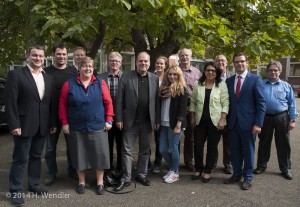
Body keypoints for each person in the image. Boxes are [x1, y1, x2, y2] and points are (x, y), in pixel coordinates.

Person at [5, 45, 56, 206]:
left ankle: (34, 185)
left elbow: (50, 104)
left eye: (41, 56)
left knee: (36, 157)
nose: (38, 58)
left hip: (42, 125)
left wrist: (52, 123)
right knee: (20, 159)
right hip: (23, 125)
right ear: (28, 56)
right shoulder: (16, 75)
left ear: (44, 57)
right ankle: (16, 191)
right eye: (34, 55)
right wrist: (14, 123)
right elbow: (10, 102)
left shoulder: (48, 78)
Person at [59, 57, 114, 195]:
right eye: (84, 66)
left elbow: (108, 102)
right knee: (79, 155)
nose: (88, 69)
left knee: (100, 155)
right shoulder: (69, 84)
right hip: (76, 126)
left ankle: (100, 182)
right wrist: (64, 123)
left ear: (93, 67)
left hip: (97, 126)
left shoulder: (100, 83)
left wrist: (109, 120)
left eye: (90, 66)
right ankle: (81, 182)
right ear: (79, 67)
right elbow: (62, 104)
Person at [114, 52, 160, 191]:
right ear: (136, 62)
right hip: (130, 121)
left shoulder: (154, 78)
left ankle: (141, 174)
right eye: (141, 61)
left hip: (148, 121)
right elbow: (119, 99)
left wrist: (157, 119)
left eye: (146, 61)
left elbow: (157, 101)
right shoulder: (126, 76)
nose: (143, 63)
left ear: (149, 63)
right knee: (126, 150)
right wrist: (119, 118)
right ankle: (126, 177)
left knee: (145, 150)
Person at [224, 52, 266, 190]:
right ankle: (237, 174)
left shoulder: (255, 79)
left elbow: (261, 103)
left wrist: (258, 123)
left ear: (247, 62)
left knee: (248, 151)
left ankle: (248, 177)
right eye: (236, 62)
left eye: (242, 61)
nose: (239, 64)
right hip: (233, 123)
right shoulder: (229, 81)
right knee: (234, 151)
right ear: (233, 64)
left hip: (249, 124)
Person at [254, 61, 298, 180]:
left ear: (280, 71)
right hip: (265, 117)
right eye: (271, 70)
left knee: (283, 144)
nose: (273, 72)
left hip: (282, 117)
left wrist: (292, 119)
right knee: (264, 143)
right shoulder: (261, 85)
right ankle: (261, 166)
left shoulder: (286, 86)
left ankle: (285, 168)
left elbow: (292, 103)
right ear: (267, 72)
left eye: (275, 70)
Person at [44, 44, 78, 186]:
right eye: (58, 54)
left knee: (72, 146)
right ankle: (51, 173)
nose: (61, 57)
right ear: (53, 55)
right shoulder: (46, 71)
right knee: (50, 148)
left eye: (64, 54)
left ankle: (72, 170)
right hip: (51, 116)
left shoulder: (73, 71)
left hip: (69, 116)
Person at [190, 62, 229, 183]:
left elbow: (225, 103)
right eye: (208, 70)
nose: (210, 72)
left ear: (216, 73)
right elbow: (193, 102)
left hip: (215, 122)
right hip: (199, 121)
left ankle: (207, 171)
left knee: (212, 147)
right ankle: (198, 168)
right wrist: (192, 116)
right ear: (204, 71)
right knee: (198, 146)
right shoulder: (198, 84)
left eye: (213, 70)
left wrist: (223, 119)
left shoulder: (221, 85)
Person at [159, 65, 188, 183]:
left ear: (179, 76)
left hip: (175, 124)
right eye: (170, 74)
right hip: (164, 122)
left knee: (173, 148)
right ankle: (173, 168)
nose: (172, 76)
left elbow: (182, 108)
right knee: (162, 149)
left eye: (175, 74)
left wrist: (178, 125)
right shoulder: (164, 88)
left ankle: (175, 172)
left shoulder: (182, 89)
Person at [98, 52, 123, 180]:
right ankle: (108, 169)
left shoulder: (126, 77)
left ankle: (120, 168)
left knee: (121, 144)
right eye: (112, 60)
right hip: (105, 117)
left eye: (117, 61)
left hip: (121, 118)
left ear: (121, 63)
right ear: (108, 62)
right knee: (107, 145)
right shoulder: (100, 77)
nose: (114, 63)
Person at [178, 48, 202, 171]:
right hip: (177, 107)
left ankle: (188, 161)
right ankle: (175, 160)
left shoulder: (198, 73)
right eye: (182, 55)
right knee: (176, 134)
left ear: (191, 57)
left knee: (190, 136)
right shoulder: (174, 71)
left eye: (187, 55)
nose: (184, 57)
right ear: (179, 57)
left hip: (192, 107)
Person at [214, 54, 234, 174]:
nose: (220, 62)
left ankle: (228, 164)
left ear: (227, 63)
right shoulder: (211, 76)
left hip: (230, 114)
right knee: (213, 141)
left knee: (228, 141)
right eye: (218, 60)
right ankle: (213, 163)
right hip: (215, 114)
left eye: (223, 60)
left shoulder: (232, 77)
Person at [152, 56, 169, 174]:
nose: (159, 65)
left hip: (164, 112)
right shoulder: (150, 77)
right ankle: (145, 162)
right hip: (150, 112)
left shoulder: (168, 79)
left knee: (160, 140)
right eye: (157, 63)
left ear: (165, 65)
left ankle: (158, 163)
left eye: (161, 64)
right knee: (147, 140)